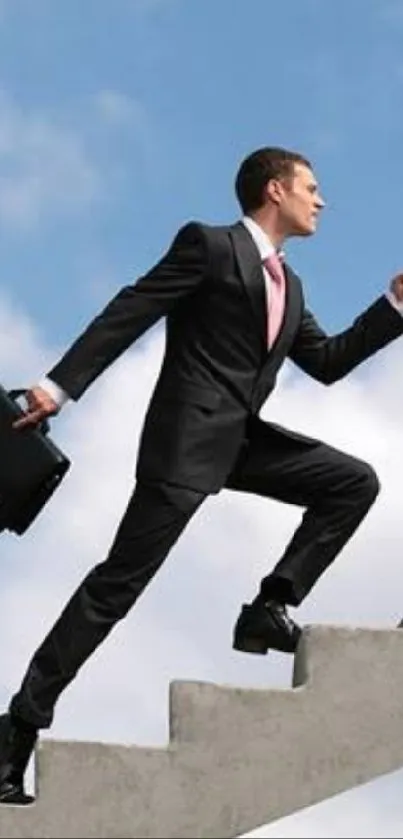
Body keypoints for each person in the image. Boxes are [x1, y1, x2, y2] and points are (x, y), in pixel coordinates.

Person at [1, 146, 403, 805]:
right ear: (275, 190)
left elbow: (327, 361)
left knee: (350, 482)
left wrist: (391, 306)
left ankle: (268, 607)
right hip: (185, 444)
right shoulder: (209, 246)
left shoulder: (288, 285)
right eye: (311, 187)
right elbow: (131, 309)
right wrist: (58, 386)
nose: (321, 200)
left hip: (242, 442)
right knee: (115, 588)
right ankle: (18, 726)